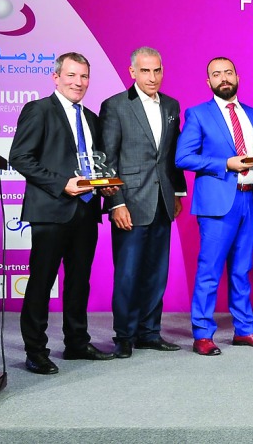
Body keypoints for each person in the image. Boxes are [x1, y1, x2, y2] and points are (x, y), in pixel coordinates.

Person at [10, 53, 116, 374]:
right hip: (51, 210)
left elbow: (95, 163)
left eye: (83, 77)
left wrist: (105, 184)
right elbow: (21, 157)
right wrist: (62, 184)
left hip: (86, 212)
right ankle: (36, 350)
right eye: (71, 76)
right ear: (56, 77)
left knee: (79, 282)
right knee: (42, 282)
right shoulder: (39, 110)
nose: (78, 82)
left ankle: (76, 343)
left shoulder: (92, 118)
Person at [174, 57, 253, 356]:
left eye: (228, 72)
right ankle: (203, 334)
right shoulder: (198, 114)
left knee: (242, 270)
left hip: (251, 198)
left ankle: (245, 330)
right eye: (216, 75)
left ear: (237, 76)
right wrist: (225, 164)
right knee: (209, 270)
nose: (223, 78)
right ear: (208, 82)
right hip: (218, 204)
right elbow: (183, 157)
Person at [99, 46, 186, 358]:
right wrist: (115, 203)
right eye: (146, 71)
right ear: (132, 72)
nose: (153, 77)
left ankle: (149, 332)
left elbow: (172, 156)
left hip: (162, 201)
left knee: (156, 273)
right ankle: (124, 335)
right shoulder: (115, 106)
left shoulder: (172, 106)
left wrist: (177, 193)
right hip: (130, 202)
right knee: (127, 274)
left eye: (157, 70)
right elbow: (106, 160)